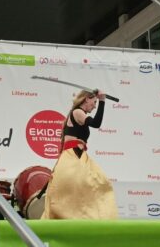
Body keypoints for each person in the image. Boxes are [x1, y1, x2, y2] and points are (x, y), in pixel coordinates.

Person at [42, 89, 118, 219]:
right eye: (94, 102)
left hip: (77, 155)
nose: (95, 106)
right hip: (73, 156)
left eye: (96, 103)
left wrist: (100, 100)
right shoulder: (77, 112)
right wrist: (102, 101)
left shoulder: (77, 113)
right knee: (95, 183)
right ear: (86, 99)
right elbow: (96, 123)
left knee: (98, 183)